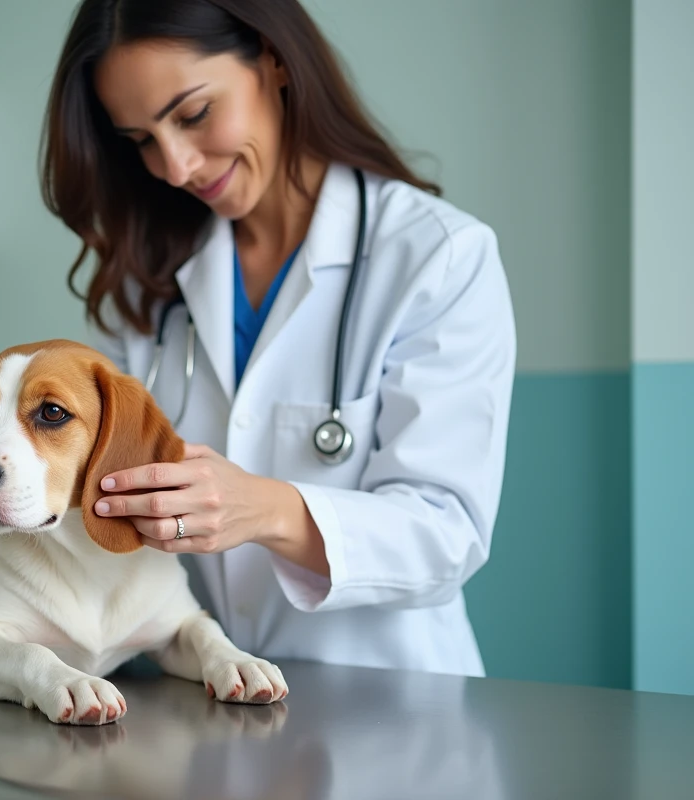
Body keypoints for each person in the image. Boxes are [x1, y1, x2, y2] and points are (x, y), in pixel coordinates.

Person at [38, 0, 517, 678]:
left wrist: (265, 509)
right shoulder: (145, 280)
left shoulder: (437, 256)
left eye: (194, 113)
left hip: (387, 707)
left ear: (275, 60)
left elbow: (446, 535)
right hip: (196, 700)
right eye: (141, 140)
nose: (175, 166)